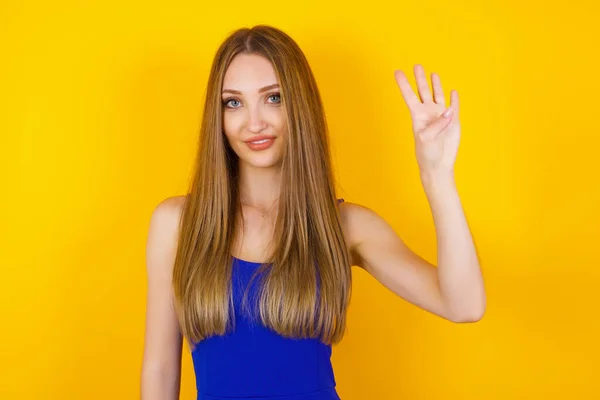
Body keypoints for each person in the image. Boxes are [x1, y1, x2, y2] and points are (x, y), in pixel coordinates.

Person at [140, 25, 486, 400]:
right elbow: (160, 369)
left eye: (273, 98)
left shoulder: (345, 226)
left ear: (299, 104)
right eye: (233, 103)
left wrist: (437, 176)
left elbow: (464, 305)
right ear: (218, 116)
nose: (254, 122)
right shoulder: (176, 224)